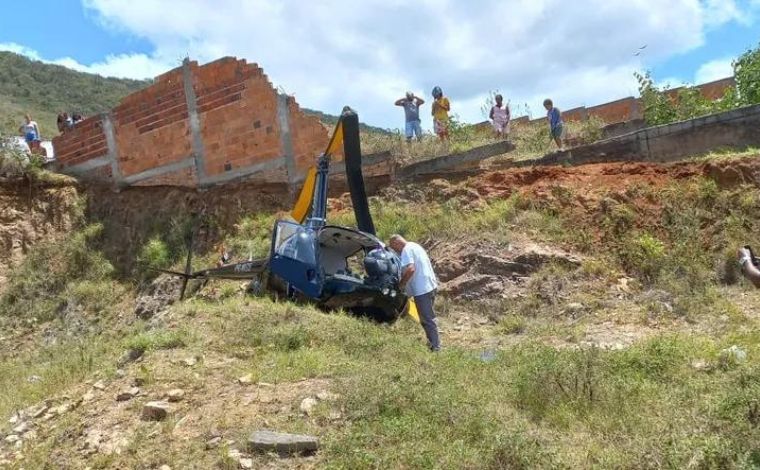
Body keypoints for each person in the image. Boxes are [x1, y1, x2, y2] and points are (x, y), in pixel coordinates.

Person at [388, 234, 440, 352]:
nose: (395, 251)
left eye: (394, 247)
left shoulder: (406, 250)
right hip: (430, 286)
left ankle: (435, 348)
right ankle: (433, 343)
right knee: (428, 317)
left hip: (422, 290)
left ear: (397, 243)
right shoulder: (415, 246)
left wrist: (401, 284)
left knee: (427, 319)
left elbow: (411, 269)